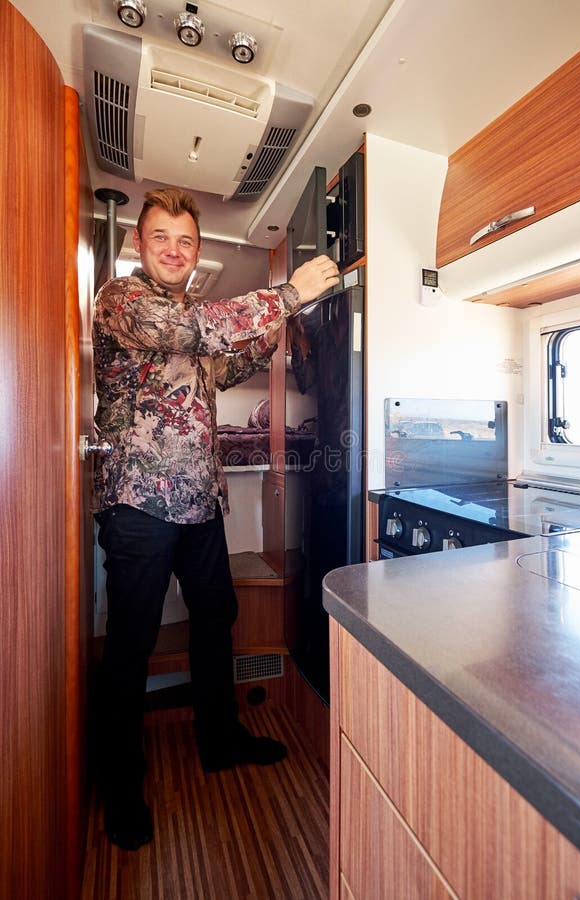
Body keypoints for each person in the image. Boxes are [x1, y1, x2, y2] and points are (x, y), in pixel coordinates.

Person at [92, 187, 339, 851]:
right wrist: (287, 294)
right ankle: (121, 785)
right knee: (131, 646)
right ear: (141, 244)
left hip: (200, 503)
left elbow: (222, 365)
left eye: (185, 240)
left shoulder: (189, 320)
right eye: (161, 237)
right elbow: (196, 330)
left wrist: (274, 335)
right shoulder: (122, 300)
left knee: (216, 621)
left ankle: (220, 739)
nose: (174, 249)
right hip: (139, 502)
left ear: (196, 251)